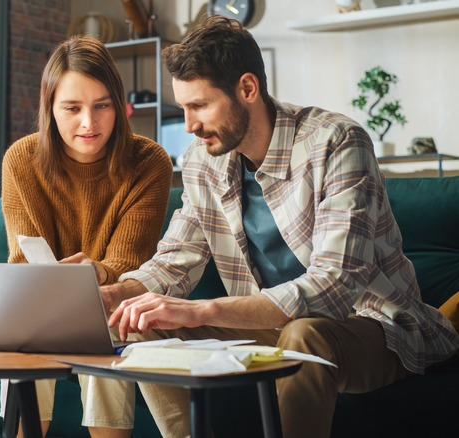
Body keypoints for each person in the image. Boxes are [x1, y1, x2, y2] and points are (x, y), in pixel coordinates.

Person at [101, 15, 459, 438]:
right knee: (138, 323)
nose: (190, 125)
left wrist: (203, 308)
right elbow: (173, 264)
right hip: (268, 327)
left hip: (371, 325)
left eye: (200, 106)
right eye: (184, 108)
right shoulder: (203, 163)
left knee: (305, 335)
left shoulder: (337, 143)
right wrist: (112, 296)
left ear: (248, 89)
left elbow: (334, 286)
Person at [1, 35, 173, 437]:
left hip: (111, 304)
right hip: (38, 305)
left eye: (102, 106)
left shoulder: (149, 162)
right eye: (72, 108)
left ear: (119, 104)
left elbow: (130, 268)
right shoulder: (21, 160)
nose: (89, 124)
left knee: (106, 320)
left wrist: (96, 273)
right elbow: (25, 264)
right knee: (25, 327)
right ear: (50, 107)